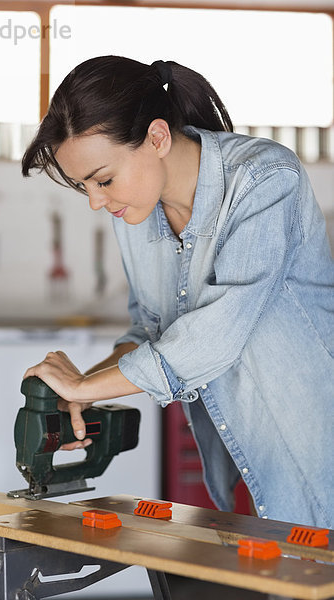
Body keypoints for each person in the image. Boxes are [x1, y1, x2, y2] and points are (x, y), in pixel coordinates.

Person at [22, 55, 334, 528]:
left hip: (314, 449)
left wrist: (85, 385)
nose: (95, 201)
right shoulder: (135, 209)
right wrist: (81, 394)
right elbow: (151, 332)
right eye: (84, 185)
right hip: (236, 457)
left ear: (158, 137)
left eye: (103, 179)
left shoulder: (266, 180)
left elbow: (214, 337)